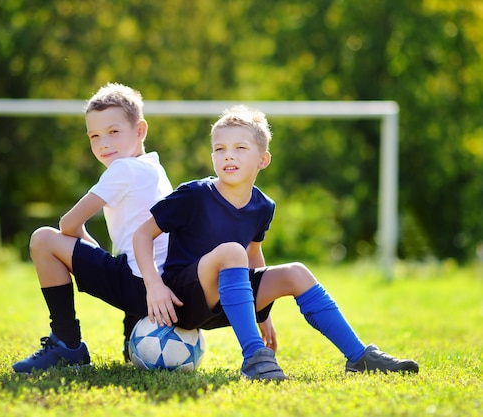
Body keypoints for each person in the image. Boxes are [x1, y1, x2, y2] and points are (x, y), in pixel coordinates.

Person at [133, 105, 419, 380]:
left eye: (239, 148)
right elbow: (143, 235)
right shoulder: (193, 194)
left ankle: (360, 357)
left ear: (263, 159)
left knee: (296, 271)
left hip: (226, 303)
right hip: (181, 301)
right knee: (233, 252)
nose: (227, 156)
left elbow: (255, 256)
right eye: (219, 149)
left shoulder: (263, 206)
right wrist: (154, 285)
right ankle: (255, 358)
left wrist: (262, 312)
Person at [12, 82, 173, 373]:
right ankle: (132, 337)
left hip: (138, 285)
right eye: (94, 136)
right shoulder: (155, 168)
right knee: (121, 257)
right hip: (162, 285)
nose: (103, 144)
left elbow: (68, 223)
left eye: (113, 132)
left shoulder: (122, 169)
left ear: (140, 131)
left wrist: (92, 252)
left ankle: (66, 343)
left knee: (43, 239)